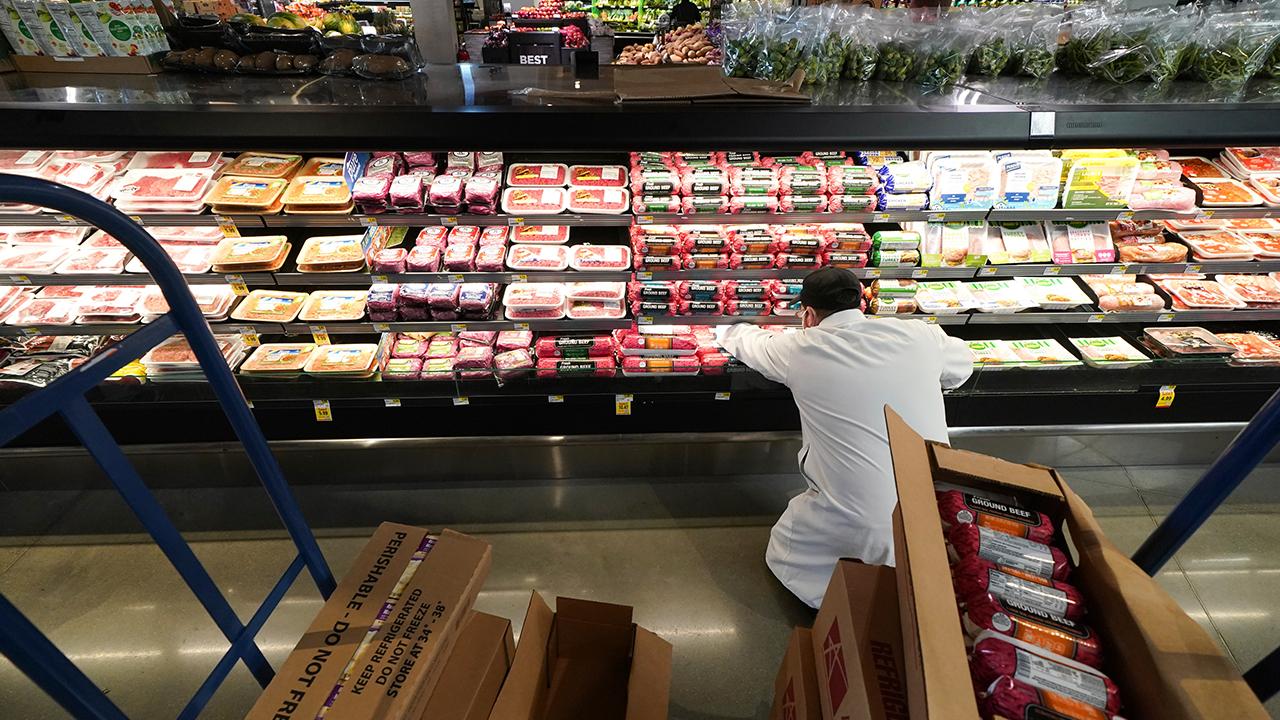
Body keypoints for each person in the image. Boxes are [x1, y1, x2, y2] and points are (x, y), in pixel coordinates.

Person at [716, 267, 973, 608]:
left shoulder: (801, 349)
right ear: (862, 302)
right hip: (938, 510)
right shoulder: (919, 335)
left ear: (808, 314)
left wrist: (722, 321)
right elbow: (961, 366)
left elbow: (747, 342)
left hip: (862, 524)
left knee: (789, 554)